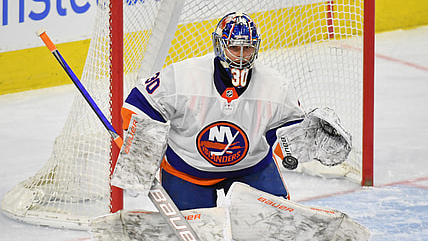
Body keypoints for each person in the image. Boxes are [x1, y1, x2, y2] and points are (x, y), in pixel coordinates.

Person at [120, 12, 337, 210]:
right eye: (234, 48)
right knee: (194, 237)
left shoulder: (276, 86)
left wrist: (309, 143)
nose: (242, 56)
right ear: (220, 47)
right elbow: (138, 105)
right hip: (188, 170)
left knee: (275, 217)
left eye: (248, 48)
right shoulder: (183, 77)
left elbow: (283, 136)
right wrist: (139, 154)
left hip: (251, 168)